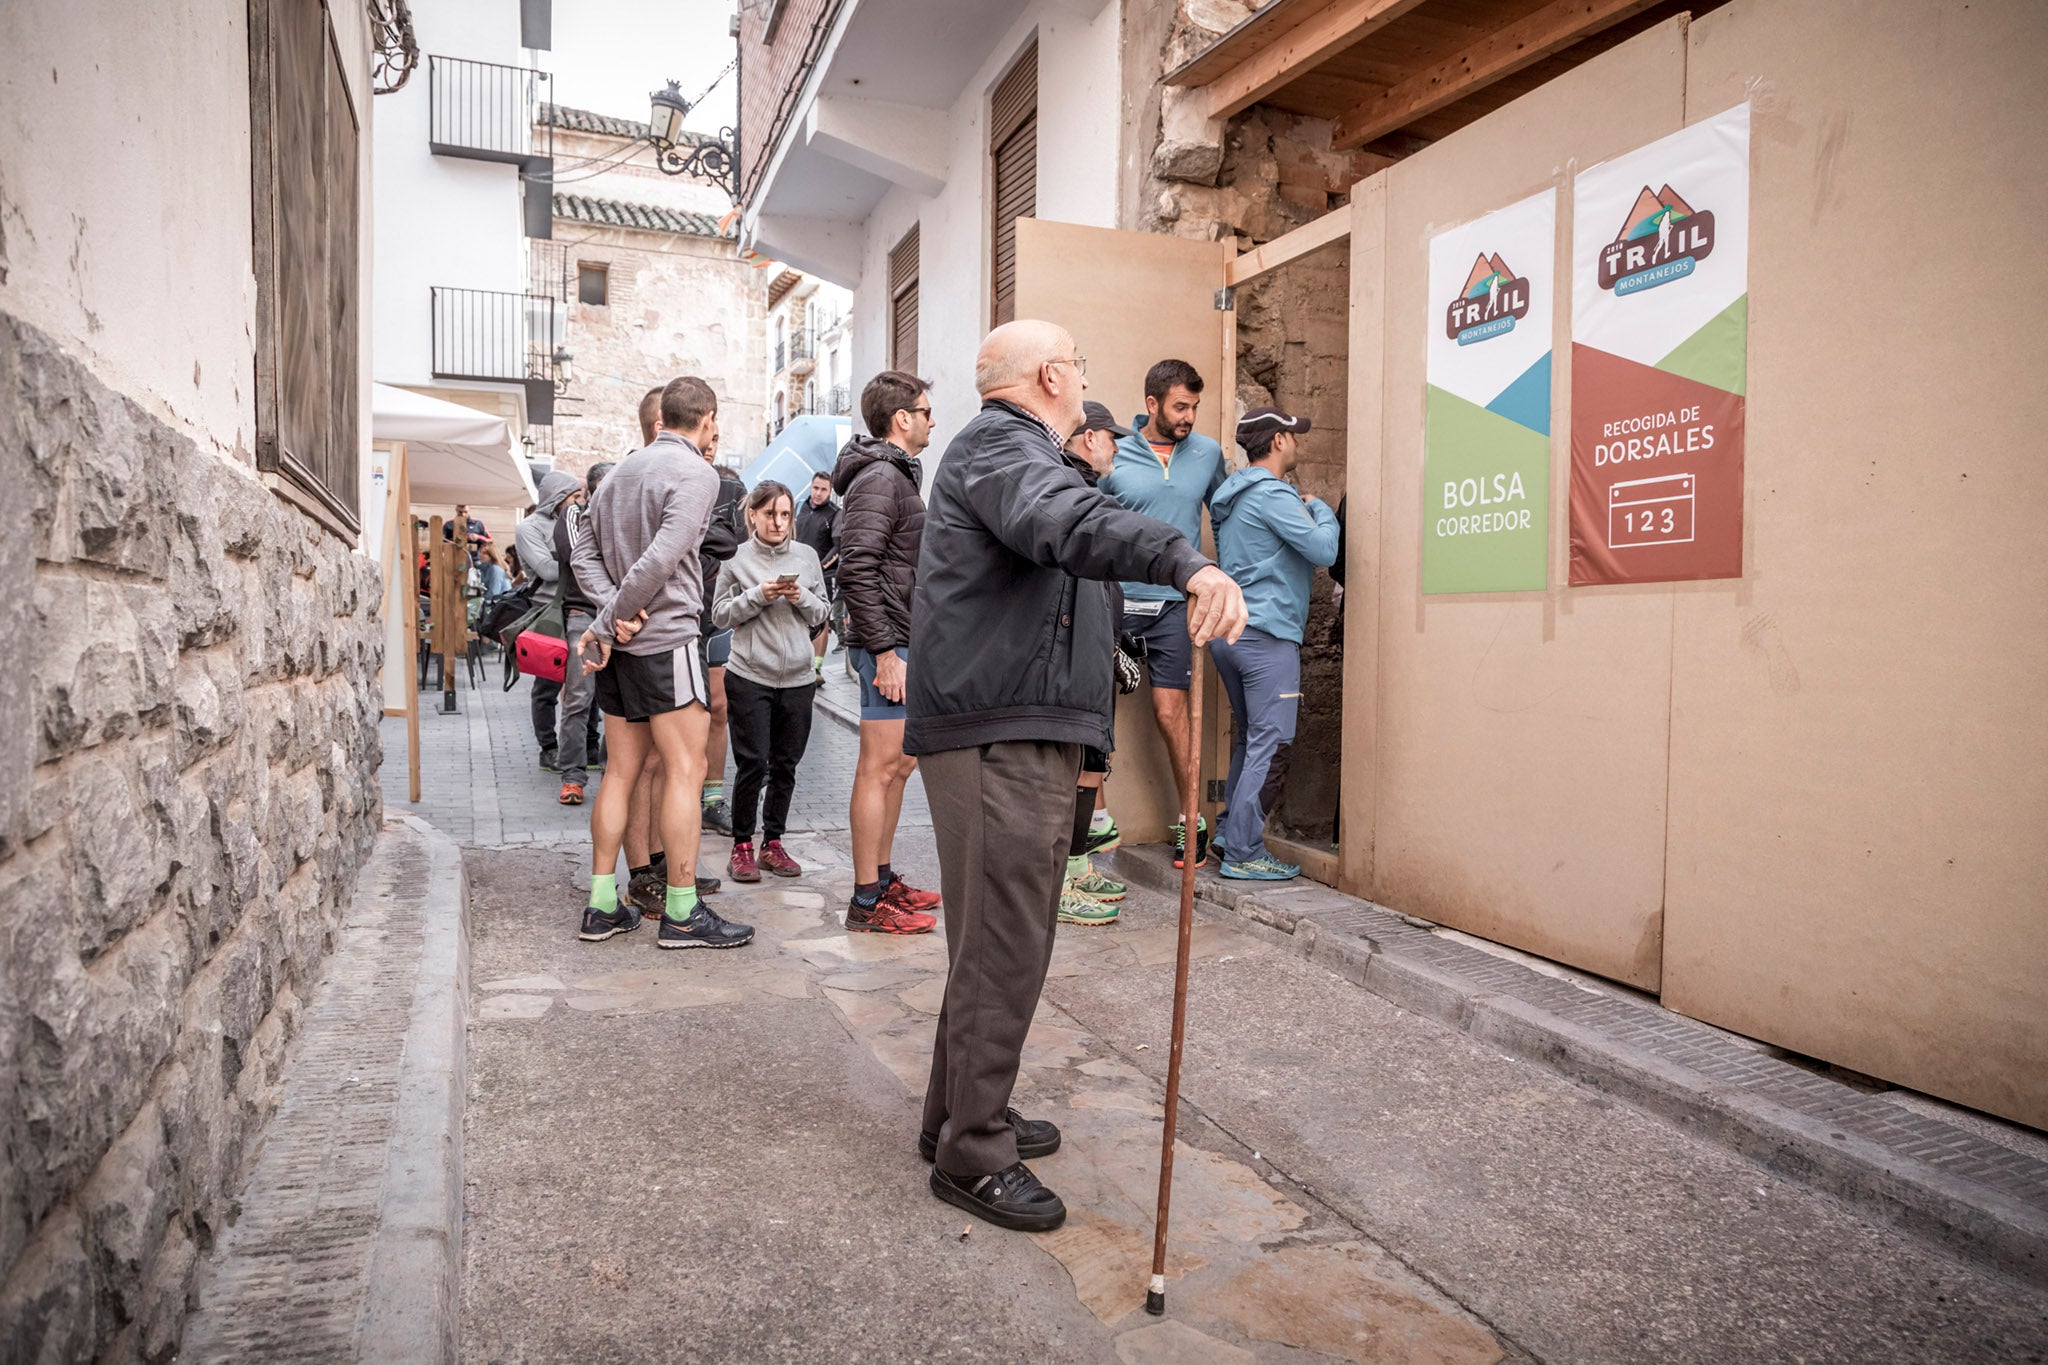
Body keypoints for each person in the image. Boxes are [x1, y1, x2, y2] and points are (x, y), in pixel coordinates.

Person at [908, 319, 1246, 1232]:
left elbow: (1069, 566)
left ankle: (957, 1113)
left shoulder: (1020, 457)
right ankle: (972, 1152)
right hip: (997, 734)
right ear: (1054, 374)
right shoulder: (1000, 448)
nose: (1083, 378)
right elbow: (1072, 527)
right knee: (1005, 940)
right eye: (1080, 367)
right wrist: (1187, 559)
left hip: (1021, 725)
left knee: (994, 936)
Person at [569, 376, 753, 950]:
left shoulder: (621, 470)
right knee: (687, 769)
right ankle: (681, 913)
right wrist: (617, 614)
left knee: (621, 771)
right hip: (666, 639)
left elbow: (582, 551)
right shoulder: (698, 472)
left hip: (623, 645)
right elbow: (664, 555)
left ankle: (602, 905)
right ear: (706, 418)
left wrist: (609, 616)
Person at [1101, 359, 1229, 868]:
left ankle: (1189, 819)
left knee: (1170, 711)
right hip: (1118, 602)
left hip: (1176, 605)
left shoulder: (1207, 453)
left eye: (1195, 406)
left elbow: (1226, 515)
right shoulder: (1116, 453)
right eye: (1180, 406)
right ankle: (1093, 824)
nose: (1190, 416)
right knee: (1095, 712)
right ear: (1151, 405)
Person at [832, 371, 943, 933]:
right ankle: (866, 901)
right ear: (902, 418)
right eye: (925, 411)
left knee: (898, 765)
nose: (931, 419)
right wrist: (883, 651)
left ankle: (882, 878)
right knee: (878, 769)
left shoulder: (895, 475)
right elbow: (858, 568)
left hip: (901, 638)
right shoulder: (880, 476)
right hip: (888, 644)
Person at [1207, 406, 1339, 881]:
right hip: (1268, 637)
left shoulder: (1233, 497)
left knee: (1250, 739)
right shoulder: (1274, 496)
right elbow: (1325, 550)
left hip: (1233, 634)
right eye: (1294, 436)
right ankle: (1244, 852)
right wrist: (1319, 507)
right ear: (1279, 441)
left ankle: (1227, 835)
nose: (1298, 443)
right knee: (1275, 743)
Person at [712, 480, 830, 882]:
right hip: (749, 674)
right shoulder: (736, 558)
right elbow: (719, 615)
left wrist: (801, 598)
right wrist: (758, 595)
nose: (778, 523)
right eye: (770, 514)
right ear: (753, 516)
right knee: (752, 763)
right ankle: (742, 845)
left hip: (798, 678)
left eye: (784, 515)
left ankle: (773, 844)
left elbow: (822, 613)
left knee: (785, 765)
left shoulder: (808, 556)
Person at [1054, 402, 1136, 927]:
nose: (1116, 448)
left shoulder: (1085, 490)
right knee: (1070, 770)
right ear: (1087, 438)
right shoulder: (1068, 491)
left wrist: (1117, 641)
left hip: (1098, 647)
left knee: (1090, 766)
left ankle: (1078, 866)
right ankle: (1059, 882)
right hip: (1077, 655)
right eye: (1111, 438)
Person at [517, 471, 587, 771]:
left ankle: (585, 749)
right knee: (547, 685)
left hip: (578, 610)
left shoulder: (580, 521)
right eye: (573, 497)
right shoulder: (528, 528)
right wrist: (583, 561)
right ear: (559, 497)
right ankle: (548, 747)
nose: (579, 503)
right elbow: (546, 569)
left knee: (582, 686)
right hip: (548, 612)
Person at [553, 462, 613, 805]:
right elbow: (581, 560)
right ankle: (573, 776)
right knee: (578, 698)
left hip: (617, 616)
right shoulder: (575, 515)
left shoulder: (624, 517)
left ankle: (611, 775)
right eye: (604, 489)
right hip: (585, 616)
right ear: (589, 492)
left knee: (617, 705)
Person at [696, 441, 747, 838]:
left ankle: (711, 801)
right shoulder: (674, 484)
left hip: (716, 617)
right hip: (674, 617)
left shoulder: (733, 491)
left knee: (717, 708)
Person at [793, 469, 841, 671]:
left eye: (823, 489)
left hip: (824, 574)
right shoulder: (800, 507)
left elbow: (838, 547)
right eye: (815, 488)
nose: (818, 493)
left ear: (829, 491)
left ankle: (817, 667)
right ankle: (801, 662)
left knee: (820, 618)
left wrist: (819, 567)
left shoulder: (835, 513)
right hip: (798, 571)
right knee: (799, 616)